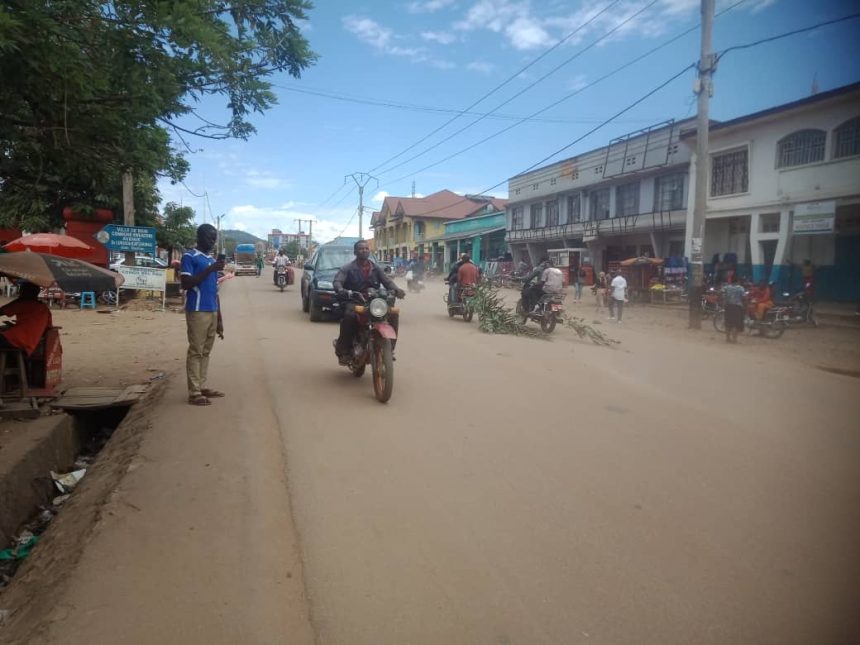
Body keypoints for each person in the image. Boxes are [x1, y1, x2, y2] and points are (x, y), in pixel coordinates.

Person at [333, 240, 405, 365]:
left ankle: (389, 349)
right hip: (355, 300)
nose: (364, 250)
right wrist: (341, 289)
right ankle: (343, 350)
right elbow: (338, 281)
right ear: (355, 252)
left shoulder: (376, 268)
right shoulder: (348, 268)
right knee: (349, 316)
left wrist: (397, 290)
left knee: (393, 314)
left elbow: (387, 282)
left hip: (374, 301)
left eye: (366, 248)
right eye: (361, 249)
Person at [180, 224, 225, 406]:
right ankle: (194, 392)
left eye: (214, 238)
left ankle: (201, 385)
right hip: (197, 310)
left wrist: (220, 319)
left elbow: (215, 291)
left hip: (212, 310)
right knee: (196, 351)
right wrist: (210, 269)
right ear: (199, 237)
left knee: (206, 352)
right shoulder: (189, 257)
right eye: (209, 237)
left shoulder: (210, 260)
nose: (212, 241)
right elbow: (186, 283)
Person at [0, 282, 52, 356]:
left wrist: (18, 300)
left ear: (24, 292)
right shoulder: (44, 308)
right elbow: (48, 327)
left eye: (21, 291)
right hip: (31, 343)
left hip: (16, 339)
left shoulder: (23, 304)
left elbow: (2, 311)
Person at [722, 275, 746, 343]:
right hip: (737, 307)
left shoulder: (726, 287)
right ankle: (734, 339)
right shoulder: (741, 288)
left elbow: (723, 296)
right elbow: (744, 298)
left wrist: (724, 303)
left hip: (728, 307)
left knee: (728, 323)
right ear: (738, 281)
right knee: (736, 324)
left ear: (731, 280)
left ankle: (727, 338)